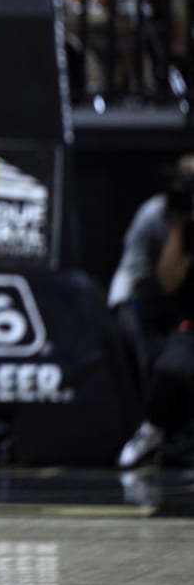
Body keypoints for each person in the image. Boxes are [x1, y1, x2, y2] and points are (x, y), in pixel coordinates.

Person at [110, 154, 194, 468]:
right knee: (171, 369)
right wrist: (179, 226)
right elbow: (168, 281)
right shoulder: (159, 214)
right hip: (173, 312)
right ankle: (154, 429)